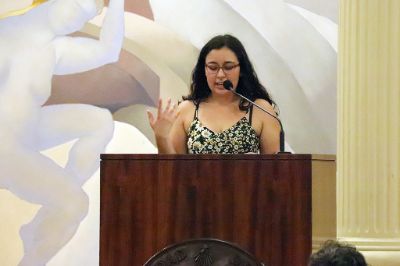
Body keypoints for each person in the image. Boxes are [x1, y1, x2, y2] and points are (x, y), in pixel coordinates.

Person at [0, 0, 124, 265]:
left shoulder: (53, 48)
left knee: (100, 122)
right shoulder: (5, 33)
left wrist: (117, 4)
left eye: (86, 17)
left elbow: (108, 50)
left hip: (27, 132)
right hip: (5, 150)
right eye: (79, 9)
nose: (78, 22)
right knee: (75, 205)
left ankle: (43, 222)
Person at [147, 34, 280, 154]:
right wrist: (161, 137)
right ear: (204, 70)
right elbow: (172, 171)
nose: (220, 75)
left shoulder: (261, 109)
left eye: (228, 67)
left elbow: (275, 171)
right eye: (213, 67)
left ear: (241, 70)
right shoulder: (187, 110)